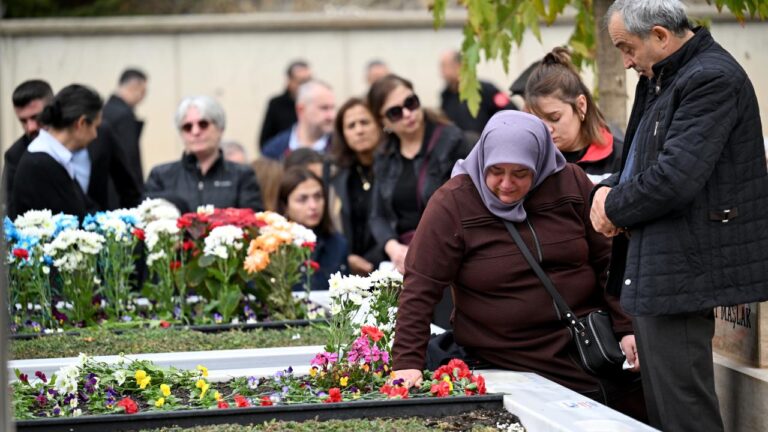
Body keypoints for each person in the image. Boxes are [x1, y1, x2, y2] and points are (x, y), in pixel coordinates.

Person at [391, 111, 645, 420]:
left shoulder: (570, 183)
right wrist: (407, 363)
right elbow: (421, 286)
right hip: (505, 356)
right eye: (496, 171)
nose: (506, 184)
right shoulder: (453, 203)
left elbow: (609, 261)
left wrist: (626, 327)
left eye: (521, 173)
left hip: (584, 347)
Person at [590, 2, 768, 430]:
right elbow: (640, 163)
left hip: (684, 269)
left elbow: (674, 178)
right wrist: (604, 191)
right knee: (669, 409)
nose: (626, 61)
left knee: (683, 411)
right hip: (663, 264)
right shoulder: (664, 76)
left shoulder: (710, 78)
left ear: (660, 35)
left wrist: (612, 206)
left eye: (627, 48)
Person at [367, 74, 471, 274]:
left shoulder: (451, 140)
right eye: (395, 112)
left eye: (411, 102)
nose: (408, 113)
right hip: (402, 260)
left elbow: (465, 205)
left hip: (448, 253)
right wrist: (393, 247)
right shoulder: (384, 154)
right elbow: (377, 215)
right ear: (383, 121)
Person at [145, 96, 263, 214]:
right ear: (181, 134)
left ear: (220, 128)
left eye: (203, 124)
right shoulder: (161, 176)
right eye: (187, 127)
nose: (195, 132)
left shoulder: (242, 175)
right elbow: (147, 219)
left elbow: (252, 220)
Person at [525, 47, 623, 183]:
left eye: (554, 118)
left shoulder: (620, 157)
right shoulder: (529, 160)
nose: (547, 129)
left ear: (581, 105)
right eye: (538, 121)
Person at [11, 84, 103, 220]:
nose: (95, 135)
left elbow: (86, 208)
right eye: (95, 127)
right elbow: (74, 218)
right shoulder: (41, 163)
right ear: (81, 123)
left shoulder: (54, 156)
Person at [327, 98, 384, 275]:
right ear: (343, 134)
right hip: (349, 271)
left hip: (390, 265)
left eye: (365, 122)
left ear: (379, 124)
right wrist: (347, 257)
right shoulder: (335, 173)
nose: (359, 130)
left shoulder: (394, 166)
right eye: (351, 126)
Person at [278, 167, 347, 291]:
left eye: (318, 196)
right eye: (302, 199)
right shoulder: (273, 246)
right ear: (285, 206)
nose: (313, 206)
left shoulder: (337, 244)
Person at [3, 79, 54, 216]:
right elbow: (10, 212)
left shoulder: (78, 139)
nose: (31, 127)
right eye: (23, 121)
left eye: (36, 117)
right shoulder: (14, 156)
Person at [439, 50, 516, 136]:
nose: (441, 72)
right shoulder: (446, 96)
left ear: (459, 66)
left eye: (444, 66)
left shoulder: (485, 90)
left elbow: (510, 109)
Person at [262, 80, 336, 161]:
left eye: (333, 108)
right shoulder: (274, 151)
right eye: (324, 108)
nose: (331, 116)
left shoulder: (341, 147)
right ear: (301, 110)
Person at [102, 68, 147, 186]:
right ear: (134, 87)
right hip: (120, 187)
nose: (143, 97)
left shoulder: (104, 110)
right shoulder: (124, 115)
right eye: (143, 91)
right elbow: (130, 157)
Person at [258, 60, 312, 148]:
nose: (307, 86)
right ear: (290, 81)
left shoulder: (316, 104)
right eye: (302, 82)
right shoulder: (277, 104)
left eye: (309, 81)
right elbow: (265, 142)